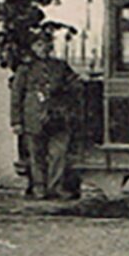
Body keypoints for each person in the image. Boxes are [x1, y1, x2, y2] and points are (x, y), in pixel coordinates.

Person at [10, 32, 81, 200]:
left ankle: (55, 187)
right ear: (33, 47)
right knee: (36, 155)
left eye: (47, 44)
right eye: (39, 45)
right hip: (33, 117)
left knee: (59, 153)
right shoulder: (25, 69)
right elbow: (16, 96)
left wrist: (65, 94)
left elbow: (75, 85)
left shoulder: (60, 66)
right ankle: (39, 188)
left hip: (57, 117)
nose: (44, 48)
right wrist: (16, 121)